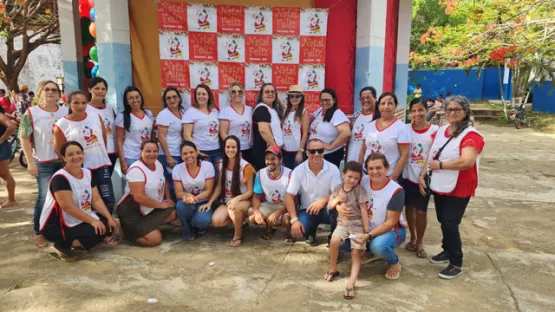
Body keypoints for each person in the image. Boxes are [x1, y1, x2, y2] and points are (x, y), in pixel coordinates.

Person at [422, 95, 484, 279]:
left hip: (460, 185)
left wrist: (439, 166)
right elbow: (431, 151)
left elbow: (467, 161)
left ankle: (456, 262)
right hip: (441, 183)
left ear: (465, 112)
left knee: (450, 221)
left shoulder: (471, 135)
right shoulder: (441, 131)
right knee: (443, 218)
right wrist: (424, 173)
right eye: (449, 109)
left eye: (457, 109)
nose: (452, 112)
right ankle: (447, 249)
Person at [39, 141, 118, 261]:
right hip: (55, 225)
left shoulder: (88, 173)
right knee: (96, 230)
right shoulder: (60, 178)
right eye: (70, 155)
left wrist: (109, 217)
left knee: (107, 225)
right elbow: (67, 207)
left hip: (78, 217)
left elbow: (96, 199)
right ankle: (63, 245)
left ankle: (79, 240)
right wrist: (92, 221)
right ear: (64, 158)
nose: (76, 157)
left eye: (78, 153)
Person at [19, 80, 68, 247]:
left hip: (64, 162)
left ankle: (60, 226)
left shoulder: (65, 111)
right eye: (46, 89)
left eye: (54, 89)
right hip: (44, 162)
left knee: (65, 196)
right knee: (43, 198)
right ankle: (39, 231)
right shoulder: (31, 113)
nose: (51, 92)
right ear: (40, 92)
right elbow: (24, 138)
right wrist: (30, 162)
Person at [53, 90, 115, 214]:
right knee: (87, 202)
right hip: (81, 169)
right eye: (76, 103)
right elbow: (60, 150)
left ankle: (108, 227)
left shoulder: (96, 117)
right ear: (68, 103)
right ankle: (93, 229)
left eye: (83, 102)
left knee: (108, 199)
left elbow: (103, 139)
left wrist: (101, 154)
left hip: (100, 165)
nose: (80, 106)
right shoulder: (61, 125)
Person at [356, 152, 407, 280]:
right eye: (371, 169)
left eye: (379, 168)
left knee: (378, 246)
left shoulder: (396, 191)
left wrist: (368, 235)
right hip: (367, 228)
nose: (374, 172)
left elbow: (390, 223)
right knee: (342, 241)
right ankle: (370, 251)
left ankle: (394, 262)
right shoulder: (363, 181)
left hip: (392, 230)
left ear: (387, 168)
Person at [117, 141, 177, 247]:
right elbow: (139, 197)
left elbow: (165, 182)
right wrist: (161, 205)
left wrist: (168, 198)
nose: (152, 154)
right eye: (148, 151)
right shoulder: (136, 169)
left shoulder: (157, 164)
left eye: (155, 151)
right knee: (155, 240)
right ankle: (126, 233)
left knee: (172, 213)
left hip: (150, 209)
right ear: (141, 152)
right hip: (132, 212)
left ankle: (145, 229)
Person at [325, 161, 369, 300]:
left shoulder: (360, 190)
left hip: (357, 226)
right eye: (350, 176)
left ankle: (352, 281)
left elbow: (363, 210)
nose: (352, 180)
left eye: (356, 178)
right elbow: (330, 206)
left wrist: (366, 232)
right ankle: (333, 269)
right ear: (343, 174)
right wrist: (337, 199)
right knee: (334, 241)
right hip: (342, 224)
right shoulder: (338, 188)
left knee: (356, 253)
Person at [286, 138, 342, 245]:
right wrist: (294, 220)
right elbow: (289, 196)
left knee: (338, 210)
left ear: (323, 152)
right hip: (307, 210)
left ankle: (333, 240)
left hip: (327, 209)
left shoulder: (333, 169)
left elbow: (338, 194)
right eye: (312, 151)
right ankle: (311, 232)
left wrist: (323, 201)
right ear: (306, 152)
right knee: (297, 234)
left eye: (320, 151)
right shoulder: (298, 171)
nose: (316, 154)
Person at [402, 98, 438, 258]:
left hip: (424, 179)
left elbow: (434, 155)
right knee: (409, 208)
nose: (417, 114)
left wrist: (424, 174)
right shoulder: (404, 129)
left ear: (426, 110)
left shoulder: (435, 131)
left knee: (421, 211)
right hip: (407, 177)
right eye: (414, 110)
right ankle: (413, 238)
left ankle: (421, 242)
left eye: (420, 110)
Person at [206, 135, 254, 247]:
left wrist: (237, 198)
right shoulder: (221, 164)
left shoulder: (246, 166)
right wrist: (210, 202)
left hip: (243, 200)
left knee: (233, 208)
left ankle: (238, 234)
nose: (230, 150)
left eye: (233, 147)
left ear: (238, 149)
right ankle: (239, 222)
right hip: (226, 200)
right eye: (228, 147)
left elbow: (250, 191)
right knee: (217, 221)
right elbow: (219, 187)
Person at [359, 92, 410, 181]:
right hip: (367, 173)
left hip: (388, 176)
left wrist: (394, 176)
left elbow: (404, 154)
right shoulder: (369, 126)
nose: (386, 106)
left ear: (395, 106)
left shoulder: (402, 127)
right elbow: (363, 150)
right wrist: (358, 170)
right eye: (383, 103)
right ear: (378, 106)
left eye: (390, 103)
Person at [173, 141, 215, 241]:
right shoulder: (177, 169)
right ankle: (187, 228)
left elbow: (208, 191)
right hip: (187, 202)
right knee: (180, 206)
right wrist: (187, 195)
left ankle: (197, 225)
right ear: (181, 156)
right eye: (185, 154)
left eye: (191, 152)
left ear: (197, 152)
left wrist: (194, 198)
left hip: (203, 201)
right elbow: (178, 193)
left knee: (202, 221)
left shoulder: (207, 166)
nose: (189, 155)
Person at [249, 145, 292, 240]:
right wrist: (256, 212)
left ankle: (290, 231)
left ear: (280, 160)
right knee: (252, 217)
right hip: (270, 204)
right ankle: (269, 227)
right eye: (267, 159)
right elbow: (256, 196)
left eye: (273, 159)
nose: (269, 162)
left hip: (287, 205)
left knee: (286, 220)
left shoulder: (289, 174)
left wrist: (277, 213)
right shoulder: (260, 174)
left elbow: (294, 201)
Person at [116, 86, 155, 174]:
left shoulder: (148, 114)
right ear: (126, 101)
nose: (135, 100)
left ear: (141, 97)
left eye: (137, 97)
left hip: (147, 155)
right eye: (131, 98)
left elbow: (151, 135)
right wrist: (123, 162)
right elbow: (119, 140)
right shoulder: (122, 117)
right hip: (131, 156)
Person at [309, 88, 351, 168]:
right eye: (322, 100)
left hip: (329, 155)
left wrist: (331, 146)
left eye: (327, 100)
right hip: (316, 154)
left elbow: (346, 133)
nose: (324, 103)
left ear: (334, 100)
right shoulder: (320, 110)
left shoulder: (337, 114)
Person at [157, 87, 186, 200]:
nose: (172, 100)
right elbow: (161, 136)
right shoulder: (163, 115)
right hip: (169, 154)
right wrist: (168, 156)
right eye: (168, 98)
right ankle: (173, 206)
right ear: (165, 101)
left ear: (179, 98)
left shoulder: (182, 112)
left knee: (180, 181)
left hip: (180, 153)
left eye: (174, 97)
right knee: (172, 182)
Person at [183, 84, 221, 167]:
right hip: (201, 151)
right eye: (198, 94)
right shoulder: (190, 112)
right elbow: (186, 135)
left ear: (208, 96)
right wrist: (196, 150)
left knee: (218, 177)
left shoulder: (215, 111)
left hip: (217, 150)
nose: (201, 96)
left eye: (204, 94)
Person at [87, 77, 117, 175]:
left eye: (103, 89)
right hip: (94, 153)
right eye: (96, 88)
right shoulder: (85, 108)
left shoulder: (110, 109)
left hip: (110, 153)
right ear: (89, 89)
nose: (100, 91)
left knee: (106, 184)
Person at [251, 83, 284, 170]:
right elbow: (263, 130)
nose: (270, 94)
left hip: (272, 152)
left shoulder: (272, 109)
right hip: (266, 153)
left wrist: (279, 101)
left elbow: (289, 112)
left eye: (273, 92)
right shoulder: (262, 109)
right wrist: (275, 149)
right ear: (261, 95)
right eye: (267, 92)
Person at [219, 82, 254, 165]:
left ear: (243, 93)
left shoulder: (250, 110)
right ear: (230, 94)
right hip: (233, 150)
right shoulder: (225, 111)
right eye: (234, 92)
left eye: (239, 91)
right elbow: (223, 133)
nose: (237, 94)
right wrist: (234, 148)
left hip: (249, 149)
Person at [281, 85, 309, 170]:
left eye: (297, 96)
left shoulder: (304, 112)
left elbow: (305, 133)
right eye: (291, 96)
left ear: (301, 98)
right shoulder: (286, 111)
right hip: (285, 151)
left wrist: (300, 151)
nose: (294, 98)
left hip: (296, 151)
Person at [346, 87, 377, 162]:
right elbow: (350, 138)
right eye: (362, 98)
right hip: (352, 157)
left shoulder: (378, 116)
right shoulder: (356, 115)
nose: (365, 100)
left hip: (369, 161)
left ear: (375, 98)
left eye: (368, 97)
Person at [0, 112, 18, 207]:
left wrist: (2, 138)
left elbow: (11, 126)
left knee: (4, 174)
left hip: (2, 148)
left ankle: (11, 199)